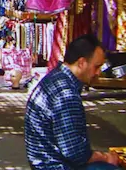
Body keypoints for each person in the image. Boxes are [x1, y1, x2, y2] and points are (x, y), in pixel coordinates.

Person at [24, 34, 120, 170]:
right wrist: (105, 158)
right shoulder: (66, 94)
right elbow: (75, 154)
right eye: (96, 67)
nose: (98, 73)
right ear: (81, 63)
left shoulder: (57, 77)